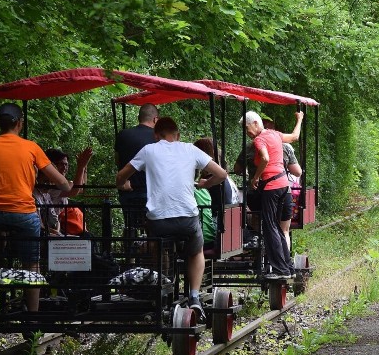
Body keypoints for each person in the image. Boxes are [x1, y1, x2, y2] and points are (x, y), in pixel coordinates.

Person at [115, 117, 227, 322]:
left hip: (158, 221)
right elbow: (221, 174)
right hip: (187, 218)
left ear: (156, 135)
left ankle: (162, 289)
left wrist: (124, 185)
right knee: (196, 251)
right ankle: (193, 296)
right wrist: (205, 184)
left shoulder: (149, 150)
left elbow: (120, 176)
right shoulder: (190, 150)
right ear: (178, 135)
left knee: (158, 245)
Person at [0, 102, 73, 312]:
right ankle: (32, 313)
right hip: (22, 214)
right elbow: (60, 182)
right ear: (20, 123)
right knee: (32, 262)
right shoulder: (31, 147)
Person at [242, 110, 304, 278]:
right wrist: (299, 119)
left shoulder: (259, 139)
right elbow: (294, 136)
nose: (247, 133)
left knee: (270, 228)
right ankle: (288, 268)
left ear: (255, 123)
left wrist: (255, 178)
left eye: (247, 128)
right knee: (278, 228)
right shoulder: (275, 135)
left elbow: (265, 158)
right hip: (284, 186)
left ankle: (280, 270)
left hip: (271, 187)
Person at [115, 103, 158, 234]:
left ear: (139, 117)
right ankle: (152, 252)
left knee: (131, 227)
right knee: (153, 229)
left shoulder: (122, 135)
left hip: (127, 190)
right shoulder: (158, 138)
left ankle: (130, 252)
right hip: (151, 192)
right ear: (155, 119)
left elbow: (117, 161)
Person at [44, 147, 92, 236]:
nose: (64, 168)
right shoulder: (51, 186)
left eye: (66, 164)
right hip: (54, 225)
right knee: (86, 236)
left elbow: (80, 189)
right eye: (61, 164)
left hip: (60, 224)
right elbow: (74, 191)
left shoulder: (62, 183)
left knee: (87, 236)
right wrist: (81, 166)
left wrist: (84, 167)